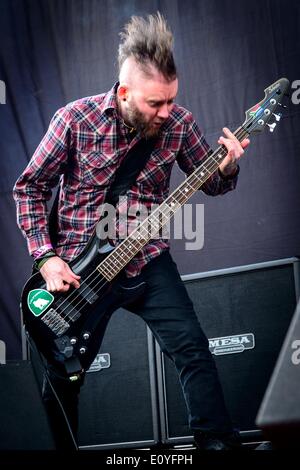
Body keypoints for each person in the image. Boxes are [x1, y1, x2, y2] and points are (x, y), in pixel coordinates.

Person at [13, 12, 250, 450]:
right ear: (124, 93)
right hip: (79, 273)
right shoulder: (75, 121)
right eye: (155, 104)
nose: (166, 112)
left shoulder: (179, 124)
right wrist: (46, 258)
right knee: (64, 381)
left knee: (194, 350)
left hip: (145, 258)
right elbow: (29, 188)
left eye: (171, 101)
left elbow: (213, 181)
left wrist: (229, 162)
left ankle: (217, 445)